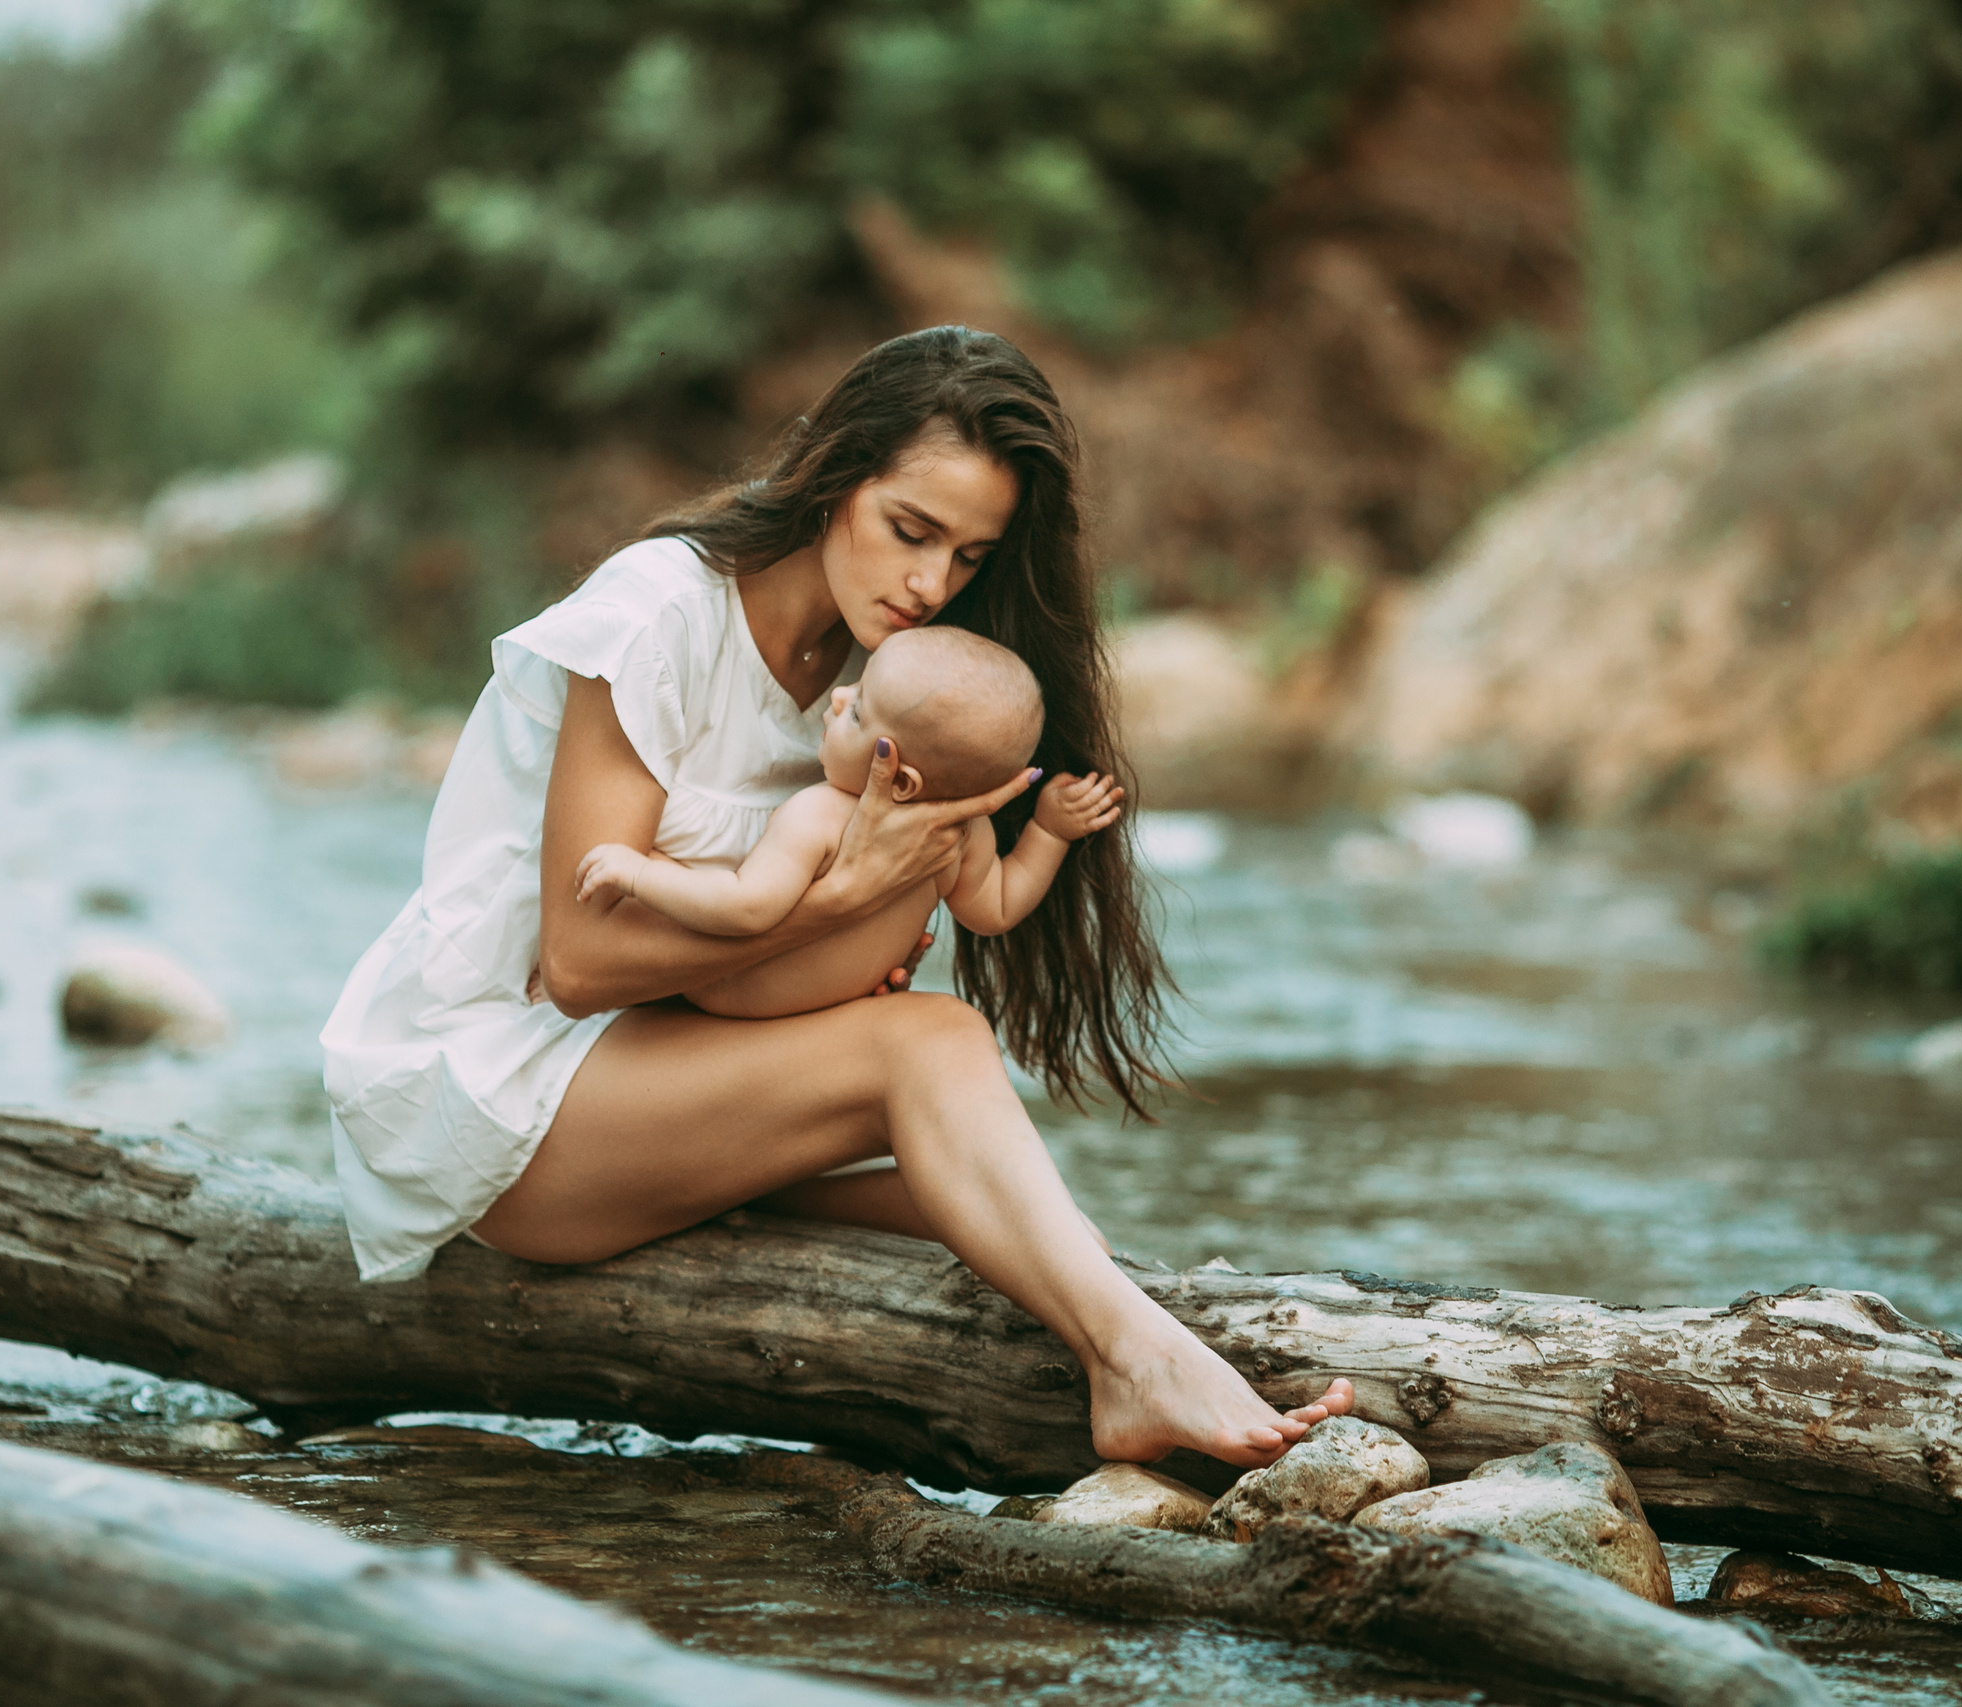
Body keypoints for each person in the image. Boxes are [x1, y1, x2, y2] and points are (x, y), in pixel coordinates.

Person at [321, 325, 1351, 1467]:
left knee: (1019, 1225)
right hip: (499, 1097)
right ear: (832, 475)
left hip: (648, 1079)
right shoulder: (659, 617)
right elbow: (574, 966)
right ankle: (1137, 1366)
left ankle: (1131, 1339)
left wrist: (836, 965)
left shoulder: (894, 687)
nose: (931, 584)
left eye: (969, 556)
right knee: (931, 1045)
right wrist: (830, 907)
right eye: (911, 531)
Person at [571, 624, 1127, 1020]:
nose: (839, 697)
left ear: (900, 780)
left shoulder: (819, 814)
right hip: (831, 1014)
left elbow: (747, 907)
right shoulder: (961, 838)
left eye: (858, 712)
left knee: (680, 865)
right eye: (857, 687)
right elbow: (996, 908)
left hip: (732, 996)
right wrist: (1048, 833)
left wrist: (641, 872)